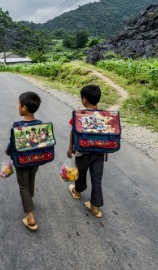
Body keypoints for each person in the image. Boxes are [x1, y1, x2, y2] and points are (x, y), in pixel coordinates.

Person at [5, 91, 43, 230]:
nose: (18, 107)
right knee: (31, 179)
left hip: (22, 161)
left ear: (24, 107)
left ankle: (30, 215)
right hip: (36, 160)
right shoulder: (40, 123)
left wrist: (8, 150)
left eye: (19, 104)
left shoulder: (17, 125)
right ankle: (29, 199)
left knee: (23, 185)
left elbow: (12, 141)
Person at [66, 84, 105, 218]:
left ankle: (77, 192)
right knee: (97, 179)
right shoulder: (104, 115)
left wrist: (70, 147)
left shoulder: (79, 115)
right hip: (99, 153)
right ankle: (95, 207)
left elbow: (73, 132)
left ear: (84, 100)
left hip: (82, 152)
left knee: (80, 173)